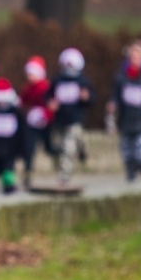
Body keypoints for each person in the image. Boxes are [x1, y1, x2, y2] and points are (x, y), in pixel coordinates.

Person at [105, 39, 141, 182]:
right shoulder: (120, 76)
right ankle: (131, 180)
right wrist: (112, 104)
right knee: (127, 155)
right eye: (132, 55)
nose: (134, 58)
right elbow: (115, 95)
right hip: (126, 122)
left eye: (137, 55)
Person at [46, 47, 93, 185]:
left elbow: (92, 99)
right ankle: (80, 149)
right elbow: (48, 96)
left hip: (75, 119)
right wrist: (50, 102)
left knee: (68, 147)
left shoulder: (83, 81)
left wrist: (86, 97)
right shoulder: (57, 80)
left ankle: (64, 175)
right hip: (60, 119)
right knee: (59, 146)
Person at [18, 55, 54, 187]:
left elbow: (51, 105)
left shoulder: (46, 87)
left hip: (45, 122)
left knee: (49, 147)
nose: (29, 77)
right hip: (32, 122)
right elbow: (22, 101)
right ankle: (28, 172)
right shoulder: (28, 88)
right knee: (29, 148)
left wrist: (46, 116)